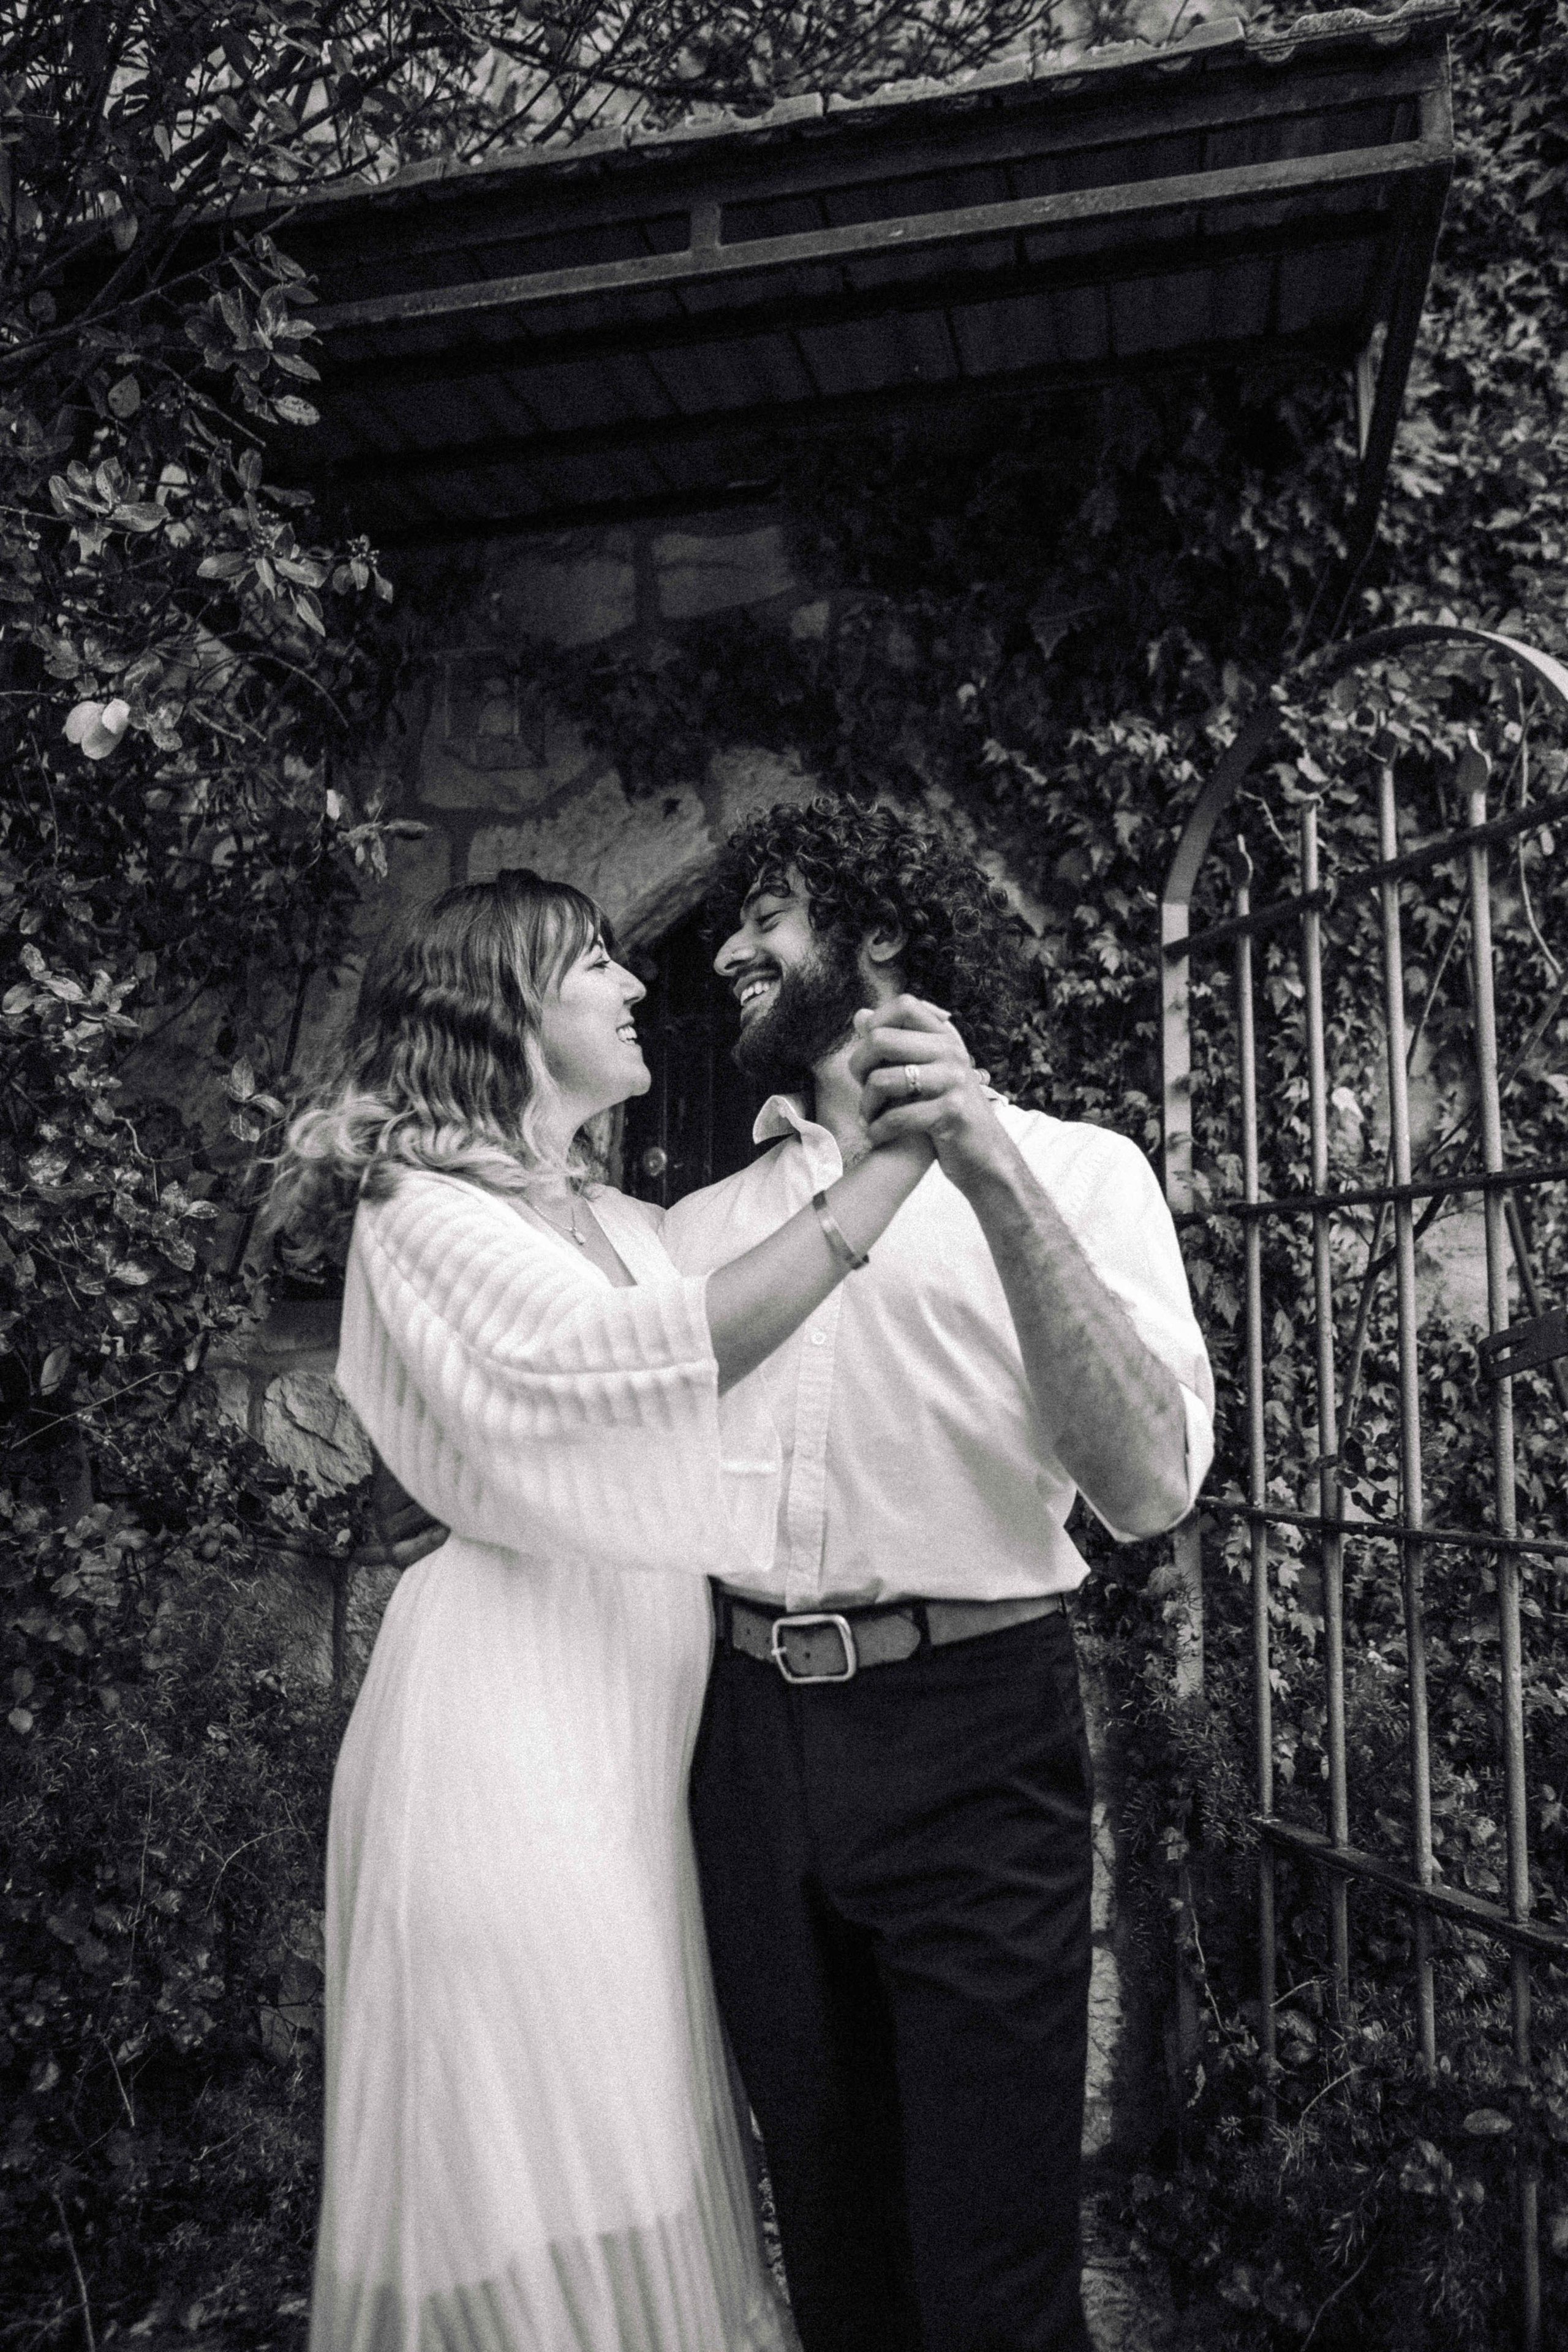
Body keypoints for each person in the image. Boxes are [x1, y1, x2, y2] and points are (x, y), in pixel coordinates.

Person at [268, 866, 942, 2352]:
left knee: (637, 2149)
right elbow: (628, 1362)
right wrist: (885, 1175)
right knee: (536, 2161)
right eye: (594, 962)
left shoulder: (624, 1224)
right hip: (504, 1758)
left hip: (629, 1777)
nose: (639, 984)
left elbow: (722, 1355)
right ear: (504, 1004)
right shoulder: (423, 1213)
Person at [660, 798, 1216, 2352]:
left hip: (970, 1731)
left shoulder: (1077, 1174)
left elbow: (1147, 1487)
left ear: (881, 935)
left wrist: (981, 1164)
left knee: (993, 2275)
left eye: (766, 912)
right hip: (739, 1741)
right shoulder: (701, 1227)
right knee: (833, 2251)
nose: (728, 950)